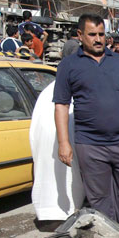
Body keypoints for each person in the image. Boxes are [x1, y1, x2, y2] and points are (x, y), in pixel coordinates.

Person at [52, 13, 119, 238]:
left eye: (101, 34)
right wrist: (64, 142)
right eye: (92, 35)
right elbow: (61, 105)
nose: (98, 39)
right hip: (90, 144)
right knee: (99, 197)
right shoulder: (69, 65)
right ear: (80, 35)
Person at [30, 81, 84, 221]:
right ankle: (70, 212)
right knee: (70, 177)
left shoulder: (48, 90)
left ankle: (55, 212)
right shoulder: (76, 84)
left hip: (49, 138)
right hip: (66, 136)